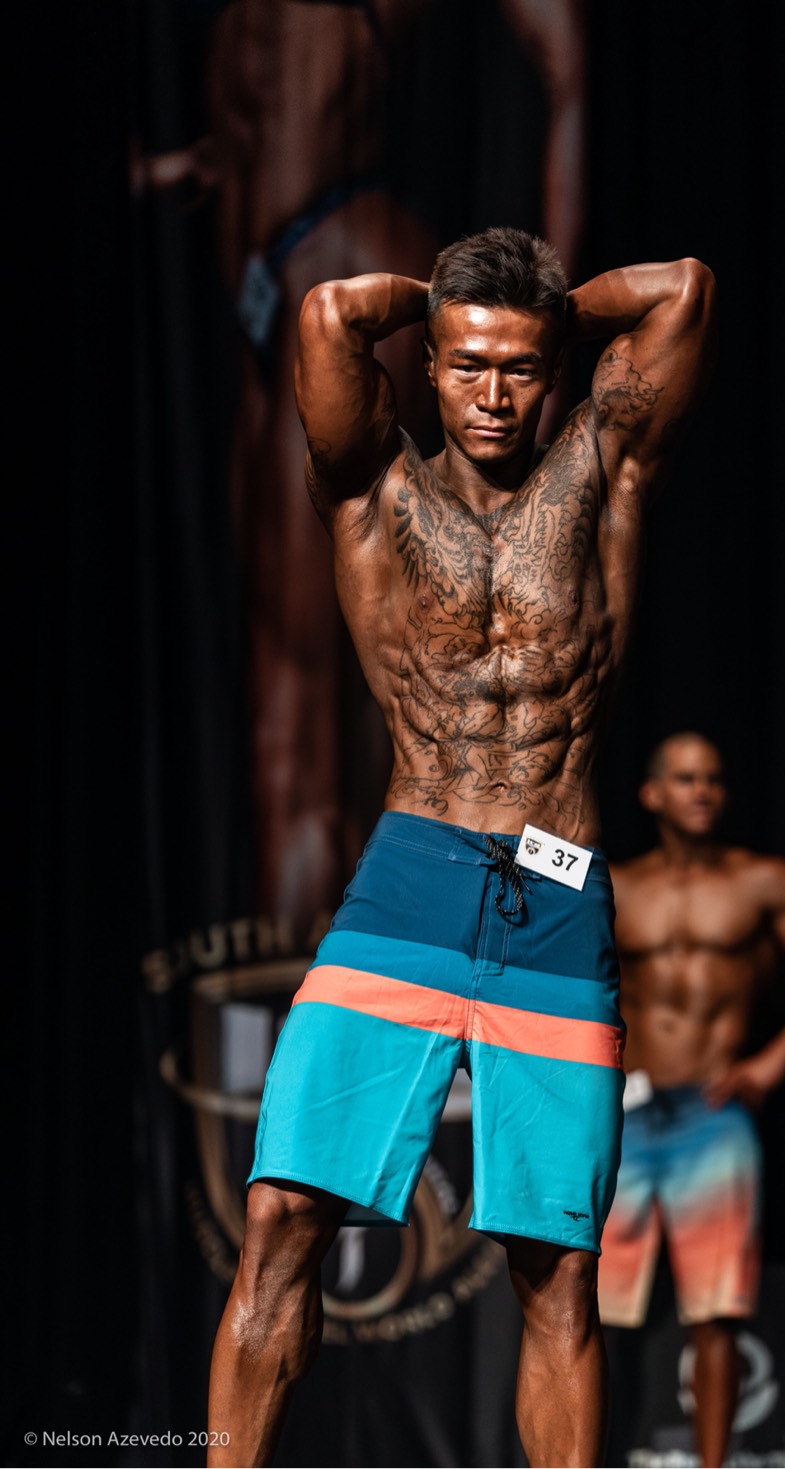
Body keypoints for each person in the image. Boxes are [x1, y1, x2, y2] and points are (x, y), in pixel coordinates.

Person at [205, 228, 717, 1467]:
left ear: (553, 371)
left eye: (520, 368)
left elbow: (683, 289)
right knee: (280, 1214)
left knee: (557, 1266)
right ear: (427, 364)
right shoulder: (372, 484)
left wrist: (551, 311)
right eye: (468, 364)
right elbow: (329, 313)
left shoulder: (600, 465)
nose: (493, 394)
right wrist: (445, 299)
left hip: (555, 906)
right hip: (410, 885)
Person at [132, 0, 589, 943]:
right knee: (299, 699)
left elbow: (566, 64)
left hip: (345, 262)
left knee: (304, 712)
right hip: (275, 294)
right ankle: (346, 970)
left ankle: (329, 981)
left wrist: (550, 337)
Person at [598, 731, 785, 1467]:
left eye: (712, 778)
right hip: (628, 1114)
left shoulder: (760, 882)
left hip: (713, 1116)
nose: (703, 791)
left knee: (715, 1311)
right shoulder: (619, 886)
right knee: (590, 1307)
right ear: (652, 794)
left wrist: (775, 1058)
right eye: (686, 779)